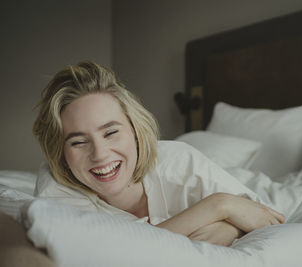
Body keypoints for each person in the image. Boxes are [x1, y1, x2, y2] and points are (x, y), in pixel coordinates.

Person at [32, 61, 285, 247]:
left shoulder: (180, 162)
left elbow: (263, 218)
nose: (99, 154)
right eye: (78, 142)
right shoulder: (55, 189)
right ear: (61, 153)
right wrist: (217, 206)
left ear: (134, 130)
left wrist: (227, 228)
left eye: (110, 133)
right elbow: (108, 257)